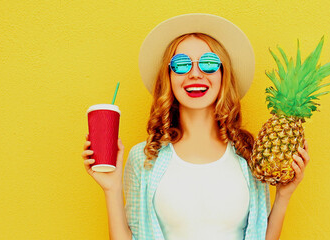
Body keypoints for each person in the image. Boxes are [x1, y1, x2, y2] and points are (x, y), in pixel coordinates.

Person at [82, 13, 310, 240]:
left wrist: (283, 195)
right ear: (169, 77)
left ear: (223, 74)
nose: (194, 74)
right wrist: (111, 189)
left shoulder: (248, 153)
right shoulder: (143, 158)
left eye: (208, 63)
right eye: (181, 65)